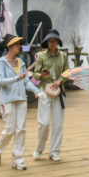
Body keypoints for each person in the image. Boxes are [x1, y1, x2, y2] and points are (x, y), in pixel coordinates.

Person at [0, 34, 40, 170]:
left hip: (21, 99)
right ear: (10, 47)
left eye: (19, 44)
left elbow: (26, 82)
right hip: (7, 100)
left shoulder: (21, 62)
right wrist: (17, 78)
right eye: (17, 44)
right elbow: (1, 81)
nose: (19, 47)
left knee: (21, 129)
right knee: (10, 129)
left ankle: (18, 159)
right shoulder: (1, 63)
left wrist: (36, 91)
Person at [32, 29, 67, 162]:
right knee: (44, 123)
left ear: (58, 42)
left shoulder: (63, 56)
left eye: (54, 41)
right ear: (47, 43)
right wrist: (41, 75)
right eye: (50, 41)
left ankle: (55, 151)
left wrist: (60, 81)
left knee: (58, 124)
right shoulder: (41, 56)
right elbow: (35, 74)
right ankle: (39, 148)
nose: (52, 44)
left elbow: (67, 72)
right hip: (44, 90)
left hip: (58, 92)